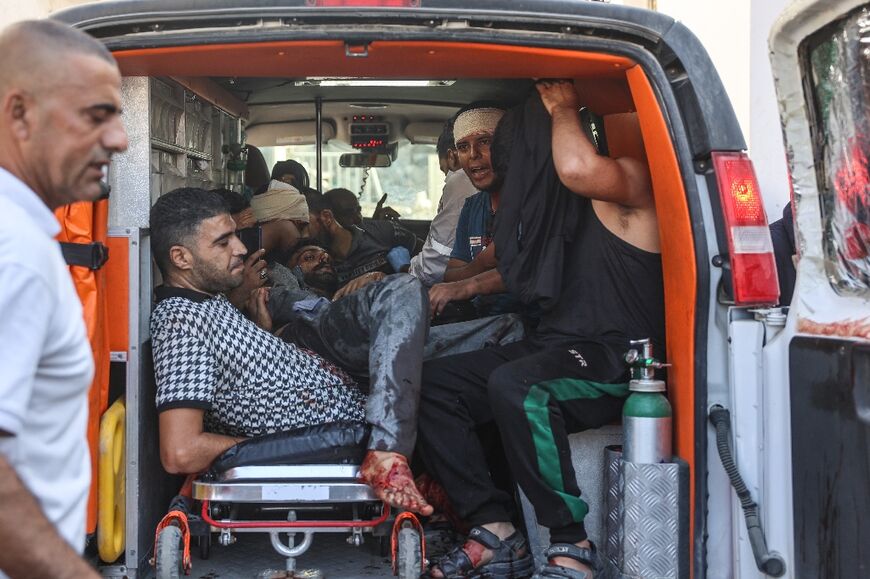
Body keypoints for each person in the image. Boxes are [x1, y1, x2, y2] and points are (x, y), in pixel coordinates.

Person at [417, 81, 665, 579]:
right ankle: (494, 528)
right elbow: (521, 269)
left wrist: (561, 105)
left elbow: (576, 167)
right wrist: (466, 288)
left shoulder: (630, 184)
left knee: (519, 387)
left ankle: (571, 546)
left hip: (617, 358)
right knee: (431, 385)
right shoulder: (552, 213)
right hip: (556, 347)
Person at [149, 188, 432, 515]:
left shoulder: (208, 300)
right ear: (181, 258)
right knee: (402, 290)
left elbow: (248, 374)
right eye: (223, 242)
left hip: (347, 389)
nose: (241, 248)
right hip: (340, 432)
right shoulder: (180, 321)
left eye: (236, 237)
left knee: (412, 307)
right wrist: (264, 451)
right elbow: (180, 450)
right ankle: (388, 454)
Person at [0, 20, 128, 579]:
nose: (120, 139)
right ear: (19, 114)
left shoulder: (27, 240)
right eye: (95, 116)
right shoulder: (16, 254)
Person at [428, 103, 523, 319]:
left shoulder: (533, 204)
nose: (473, 154)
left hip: (522, 324)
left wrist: (470, 281)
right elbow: (450, 276)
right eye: (463, 147)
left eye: (485, 141)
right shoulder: (472, 207)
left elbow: (533, 271)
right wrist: (483, 263)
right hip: (478, 318)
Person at [408, 119, 478, 286]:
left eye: (445, 171)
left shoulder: (460, 179)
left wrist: (406, 271)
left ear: (451, 156)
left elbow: (437, 261)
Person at [309, 190, 419, 285]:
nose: (357, 218)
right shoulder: (322, 263)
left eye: (358, 210)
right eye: (348, 214)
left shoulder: (383, 231)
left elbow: (428, 257)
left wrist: (406, 269)